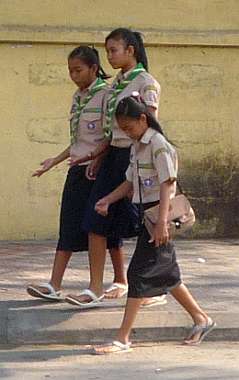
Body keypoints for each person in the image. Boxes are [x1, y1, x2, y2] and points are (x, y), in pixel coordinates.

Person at [93, 95, 216, 354]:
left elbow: (167, 184)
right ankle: (201, 319)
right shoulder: (137, 146)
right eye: (122, 129)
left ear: (143, 119)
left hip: (159, 218)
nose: (127, 133)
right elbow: (129, 182)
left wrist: (161, 223)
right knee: (168, 275)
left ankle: (123, 338)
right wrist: (107, 199)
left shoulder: (158, 145)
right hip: (147, 217)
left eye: (129, 127)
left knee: (137, 275)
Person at [65, 28, 166, 307]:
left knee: (150, 223)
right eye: (107, 50)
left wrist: (145, 161)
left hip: (138, 156)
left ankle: (155, 288)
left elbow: (148, 125)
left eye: (113, 50)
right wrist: (98, 156)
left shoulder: (146, 83)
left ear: (130, 50)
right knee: (95, 219)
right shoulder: (115, 85)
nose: (109, 56)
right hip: (114, 157)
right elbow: (112, 130)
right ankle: (95, 286)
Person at [26, 46, 125, 301]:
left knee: (100, 227)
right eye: (70, 70)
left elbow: (110, 134)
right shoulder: (78, 97)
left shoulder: (106, 95)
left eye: (78, 70)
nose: (73, 75)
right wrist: (55, 160)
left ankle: (108, 283)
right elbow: (79, 140)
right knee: (68, 223)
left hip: (99, 169)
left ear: (94, 68)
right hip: (78, 166)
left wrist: (99, 159)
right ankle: (54, 284)